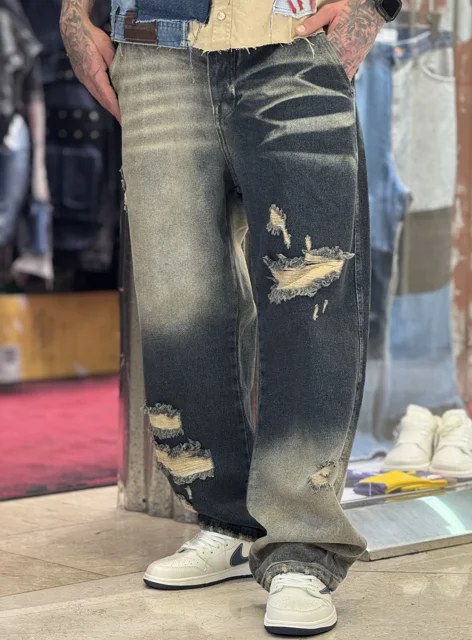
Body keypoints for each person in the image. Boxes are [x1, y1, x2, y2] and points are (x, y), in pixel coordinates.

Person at [60, 1, 401, 635]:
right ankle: (228, 519)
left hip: (292, 34)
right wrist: (74, 13)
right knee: (179, 305)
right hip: (154, 44)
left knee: (310, 292)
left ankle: (302, 543)